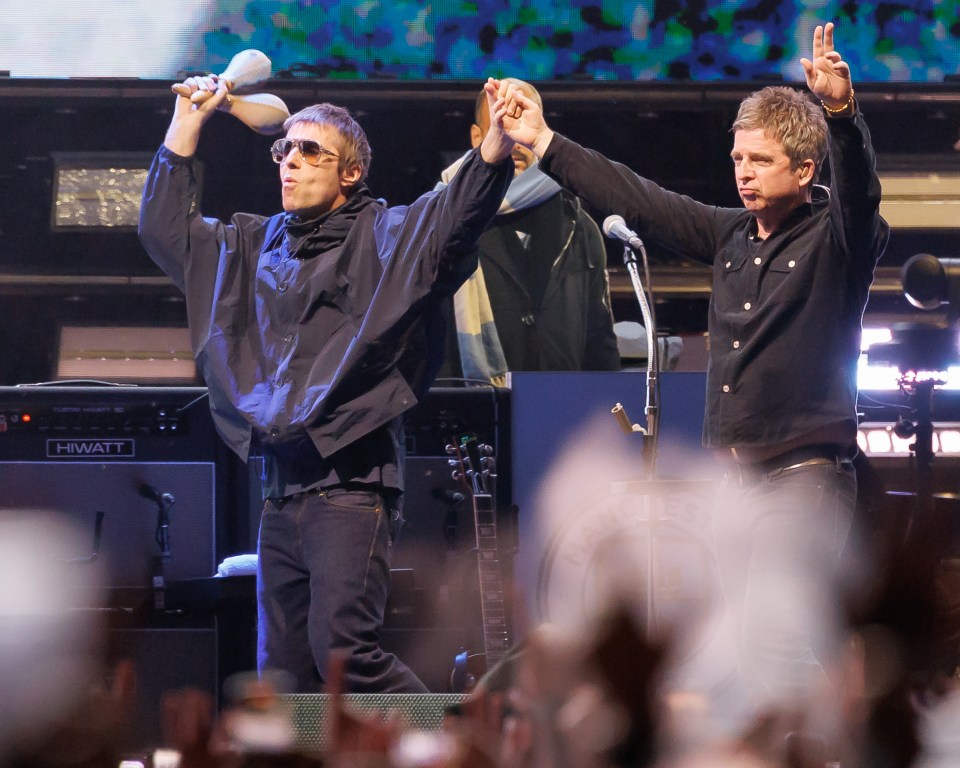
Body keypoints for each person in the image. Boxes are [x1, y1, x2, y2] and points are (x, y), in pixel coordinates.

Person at [493, 23, 889, 718]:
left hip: (804, 481)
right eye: (738, 157)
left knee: (787, 650)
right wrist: (545, 142)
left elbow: (859, 192)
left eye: (760, 160)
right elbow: (638, 197)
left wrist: (841, 116)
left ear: (803, 170)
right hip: (734, 485)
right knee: (729, 651)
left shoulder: (839, 239)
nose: (742, 171)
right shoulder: (730, 234)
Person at [138, 76, 516, 693]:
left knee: (345, 654)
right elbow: (166, 231)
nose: (291, 160)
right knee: (283, 673)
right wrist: (187, 121)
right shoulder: (255, 246)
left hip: (351, 486)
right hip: (282, 494)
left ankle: (453, 742)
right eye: (284, 148)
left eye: (311, 150)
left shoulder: (384, 236)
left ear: (351, 172)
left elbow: (451, 218)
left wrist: (494, 149)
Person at [435, 78, 620, 382]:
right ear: (476, 136)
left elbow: (599, 337)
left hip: (563, 407)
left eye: (524, 122)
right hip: (478, 407)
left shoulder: (576, 222)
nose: (516, 141)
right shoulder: (446, 218)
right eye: (504, 124)